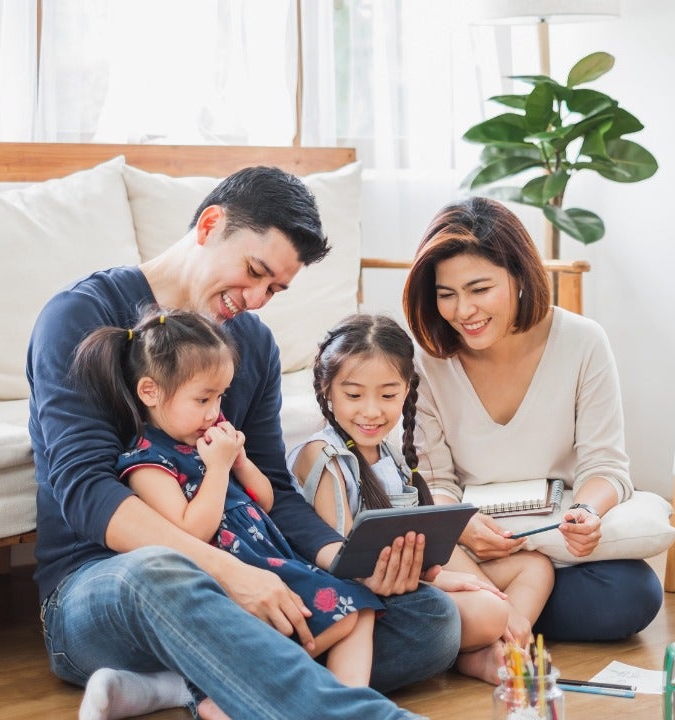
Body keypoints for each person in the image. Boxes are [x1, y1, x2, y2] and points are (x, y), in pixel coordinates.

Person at [27, 166, 459, 720]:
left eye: (274, 288)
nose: (256, 299)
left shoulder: (252, 346)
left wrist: (347, 562)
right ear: (210, 225)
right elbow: (86, 491)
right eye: (254, 272)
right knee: (159, 573)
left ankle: (182, 688)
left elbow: (273, 486)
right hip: (107, 587)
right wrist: (231, 575)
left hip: (247, 570)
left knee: (430, 619)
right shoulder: (80, 315)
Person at [71, 308, 382, 695]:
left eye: (219, 397)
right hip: (227, 579)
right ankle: (243, 691)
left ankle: (347, 702)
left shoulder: (210, 441)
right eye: (202, 398)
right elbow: (191, 531)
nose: (215, 412)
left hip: (273, 561)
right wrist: (217, 470)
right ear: (150, 391)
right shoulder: (147, 462)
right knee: (338, 618)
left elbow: (264, 502)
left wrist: (241, 462)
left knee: (360, 608)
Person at [401, 196, 664, 642]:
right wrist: (462, 525)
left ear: (520, 276)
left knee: (632, 594)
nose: (463, 311)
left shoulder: (583, 342)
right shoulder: (427, 363)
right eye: (447, 295)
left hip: (552, 536)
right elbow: (433, 483)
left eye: (479, 289)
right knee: (420, 561)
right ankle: (503, 612)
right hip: (472, 545)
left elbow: (606, 467)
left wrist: (586, 511)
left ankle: (486, 618)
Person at [288, 314, 549, 684]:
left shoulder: (390, 456)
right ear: (327, 389)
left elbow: (422, 543)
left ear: (407, 390)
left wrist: (453, 579)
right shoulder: (322, 455)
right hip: (367, 595)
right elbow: (346, 565)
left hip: (414, 579)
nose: (371, 410)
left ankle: (493, 647)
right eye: (354, 395)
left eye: (388, 395)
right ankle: (484, 646)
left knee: (536, 568)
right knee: (489, 611)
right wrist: (445, 584)